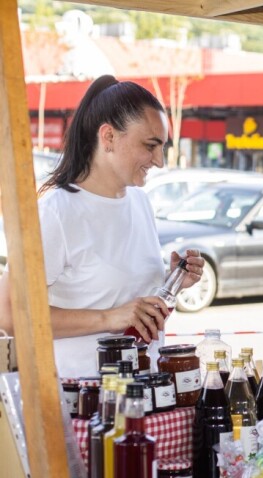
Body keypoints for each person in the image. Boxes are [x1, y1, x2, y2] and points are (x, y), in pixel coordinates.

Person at [0, 75, 205, 378]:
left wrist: (173, 282)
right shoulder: (56, 212)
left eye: (162, 147)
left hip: (142, 391)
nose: (159, 160)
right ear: (108, 136)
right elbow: (10, 315)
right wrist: (110, 317)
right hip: (77, 405)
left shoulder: (140, 202)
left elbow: (122, 295)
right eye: (150, 146)